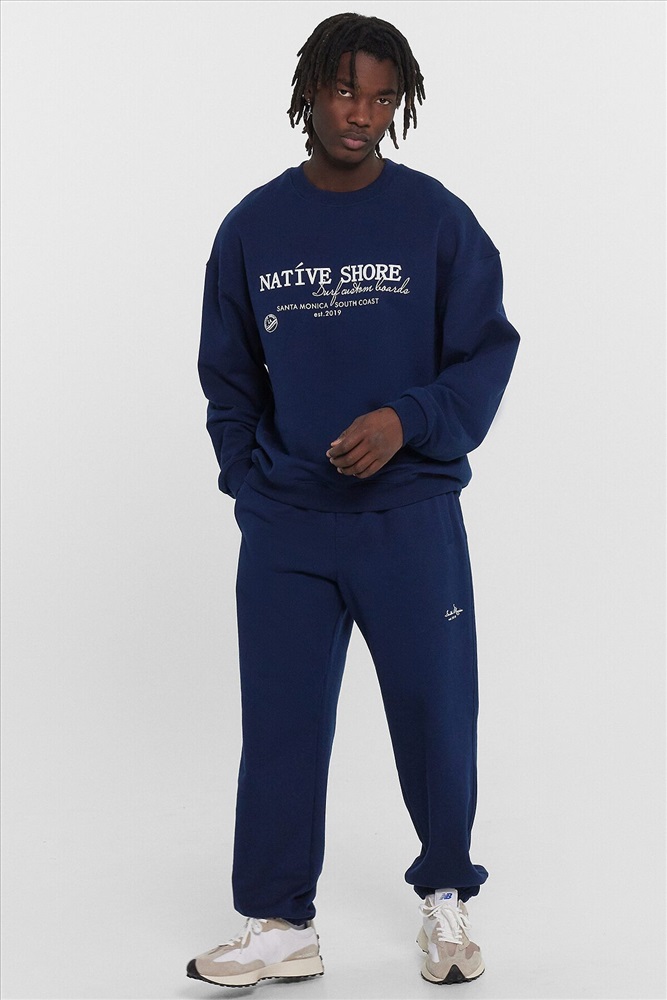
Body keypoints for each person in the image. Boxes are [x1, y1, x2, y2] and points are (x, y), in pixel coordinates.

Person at [188, 11, 520, 990]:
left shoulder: (434, 219)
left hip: (408, 521)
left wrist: (405, 419)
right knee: (281, 725)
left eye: (381, 97)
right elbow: (227, 378)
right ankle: (279, 923)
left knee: (434, 712)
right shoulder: (253, 228)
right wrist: (252, 484)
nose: (361, 114)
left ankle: (446, 900)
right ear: (309, 92)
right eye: (343, 91)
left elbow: (483, 356)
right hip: (288, 526)